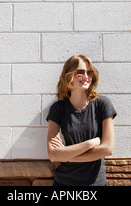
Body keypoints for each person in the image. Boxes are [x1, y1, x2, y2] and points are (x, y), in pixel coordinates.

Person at [46, 54, 117, 186]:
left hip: (95, 183)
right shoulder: (57, 108)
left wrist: (67, 155)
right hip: (64, 183)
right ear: (69, 74)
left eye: (90, 73)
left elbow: (107, 149)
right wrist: (91, 143)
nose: (86, 77)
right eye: (80, 72)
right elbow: (53, 155)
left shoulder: (102, 104)